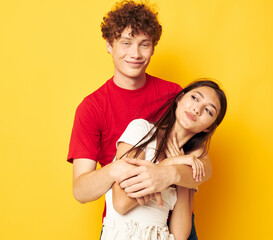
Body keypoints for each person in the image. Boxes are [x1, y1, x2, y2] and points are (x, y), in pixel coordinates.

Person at [67, 1, 211, 239]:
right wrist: (116, 170)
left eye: (144, 44)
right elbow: (81, 190)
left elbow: (204, 166)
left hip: (175, 219)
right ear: (109, 45)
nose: (135, 54)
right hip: (126, 225)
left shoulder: (173, 95)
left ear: (153, 48)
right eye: (126, 43)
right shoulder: (91, 108)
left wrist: (170, 174)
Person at [101, 80, 227, 239]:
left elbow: (180, 235)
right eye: (195, 98)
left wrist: (181, 174)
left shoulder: (189, 164)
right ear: (180, 99)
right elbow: (121, 203)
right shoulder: (141, 130)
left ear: (208, 127)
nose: (197, 109)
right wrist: (169, 165)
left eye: (209, 111)